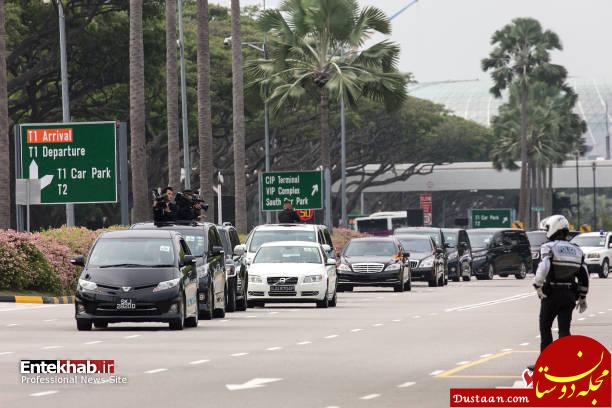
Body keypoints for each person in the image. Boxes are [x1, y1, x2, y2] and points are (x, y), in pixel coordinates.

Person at [533, 214, 589, 352]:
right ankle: (566, 362)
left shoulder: (548, 247)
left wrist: (538, 285)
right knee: (564, 330)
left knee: (545, 327)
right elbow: (584, 274)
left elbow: (544, 266)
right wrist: (583, 296)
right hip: (570, 295)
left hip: (551, 294)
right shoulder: (577, 249)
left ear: (554, 228)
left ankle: (546, 362)